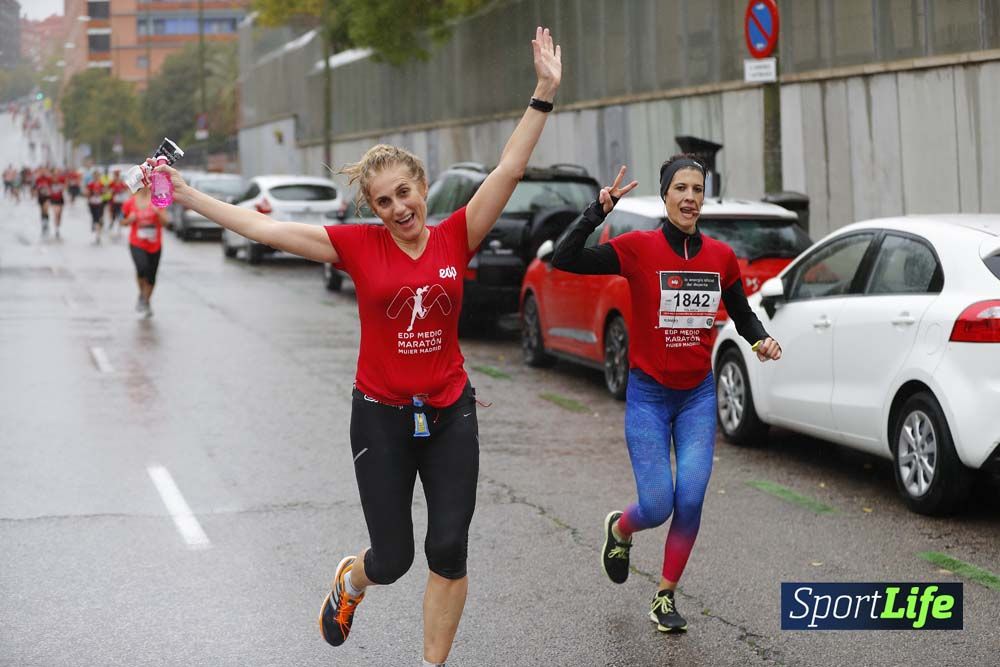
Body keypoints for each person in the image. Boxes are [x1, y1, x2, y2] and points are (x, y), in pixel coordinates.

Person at [146, 26, 561, 666]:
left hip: (452, 412)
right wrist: (185, 192)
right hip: (381, 416)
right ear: (370, 206)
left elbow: (508, 167)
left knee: (448, 548)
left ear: (422, 187)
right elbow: (265, 226)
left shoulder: (457, 234)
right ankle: (352, 579)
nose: (399, 208)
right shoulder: (356, 247)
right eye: (383, 200)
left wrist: (542, 92)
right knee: (393, 559)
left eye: (405, 193)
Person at [552, 157, 782, 633]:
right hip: (650, 397)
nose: (690, 197)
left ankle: (664, 595)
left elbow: (741, 313)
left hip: (697, 397)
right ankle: (621, 529)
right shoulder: (637, 248)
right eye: (680, 187)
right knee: (657, 505)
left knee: (692, 499)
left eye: (697, 189)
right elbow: (565, 258)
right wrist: (597, 212)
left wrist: (761, 339)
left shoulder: (721, 257)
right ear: (665, 195)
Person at [121, 185, 168, 318]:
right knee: (142, 268)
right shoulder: (130, 202)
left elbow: (166, 222)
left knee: (152, 276)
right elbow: (122, 221)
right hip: (137, 242)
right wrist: (129, 220)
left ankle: (146, 300)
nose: (145, 186)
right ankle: (142, 294)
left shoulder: (158, 200)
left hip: (155, 244)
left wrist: (158, 213)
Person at [86, 169, 107, 244]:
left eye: (97, 176)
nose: (96, 177)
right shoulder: (90, 184)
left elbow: (105, 191)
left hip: (99, 203)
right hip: (92, 203)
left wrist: (102, 191)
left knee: (99, 218)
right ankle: (96, 229)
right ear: (93, 176)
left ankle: (98, 235)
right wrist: (90, 194)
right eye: (95, 176)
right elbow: (87, 193)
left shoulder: (101, 184)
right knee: (95, 218)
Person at [108, 169, 128, 239]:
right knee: (113, 215)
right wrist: (112, 191)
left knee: (120, 215)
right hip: (113, 202)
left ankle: (119, 230)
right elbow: (108, 190)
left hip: (120, 202)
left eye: (117, 175)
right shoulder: (112, 183)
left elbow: (126, 189)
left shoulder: (122, 183)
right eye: (115, 175)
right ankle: (112, 224)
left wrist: (122, 191)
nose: (117, 177)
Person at [33, 166, 52, 238]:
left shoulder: (48, 179)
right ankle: (43, 223)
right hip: (40, 197)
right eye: (41, 171)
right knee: (41, 211)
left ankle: (46, 223)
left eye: (44, 171)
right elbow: (35, 188)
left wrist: (49, 192)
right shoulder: (38, 179)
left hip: (47, 197)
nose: (43, 172)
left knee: (46, 209)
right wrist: (36, 192)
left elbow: (51, 187)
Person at [48, 167, 66, 240]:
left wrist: (62, 187)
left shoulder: (61, 180)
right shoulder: (49, 181)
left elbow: (65, 187)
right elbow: (47, 189)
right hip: (53, 200)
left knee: (59, 215)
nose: (56, 175)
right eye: (54, 174)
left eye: (57, 173)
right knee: (56, 213)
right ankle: (56, 230)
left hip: (60, 199)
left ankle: (57, 226)